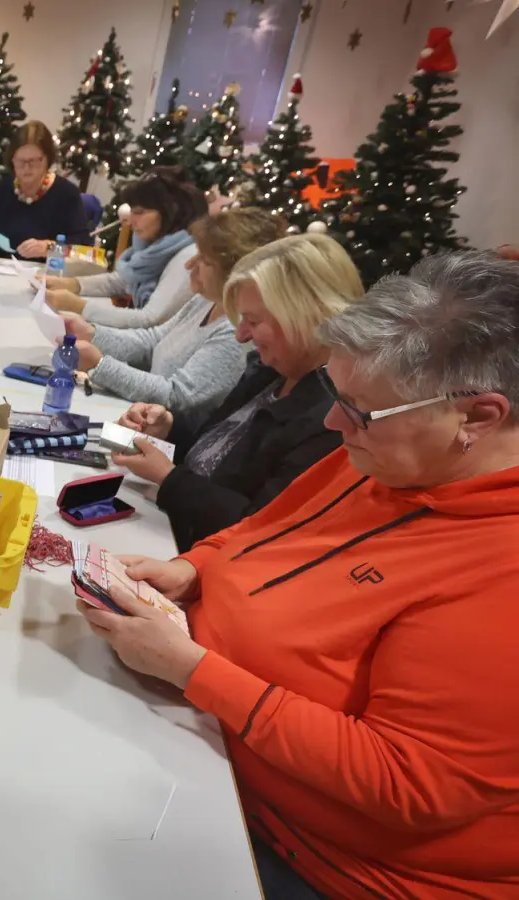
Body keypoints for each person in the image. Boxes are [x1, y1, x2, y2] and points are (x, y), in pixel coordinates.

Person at [77, 251, 519, 900]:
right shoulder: (384, 455)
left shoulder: (498, 575)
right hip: (206, 754)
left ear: (477, 419)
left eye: (361, 410)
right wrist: (190, 568)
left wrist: (194, 670)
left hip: (317, 863)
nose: (334, 423)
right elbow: (260, 533)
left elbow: (405, 785)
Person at [109, 234, 362, 550]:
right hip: (166, 528)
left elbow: (261, 529)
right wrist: (167, 427)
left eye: (253, 321)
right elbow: (217, 451)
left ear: (307, 317)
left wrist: (169, 478)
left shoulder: (331, 419)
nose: (241, 336)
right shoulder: (272, 372)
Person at [57, 208, 286, 418]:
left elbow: (178, 396)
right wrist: (90, 333)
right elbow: (153, 340)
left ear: (235, 273)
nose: (189, 266)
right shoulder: (206, 301)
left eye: (204, 261)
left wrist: (99, 364)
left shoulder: (236, 333)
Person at [41, 167, 205, 324]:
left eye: (140, 212)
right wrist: (72, 284)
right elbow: (122, 281)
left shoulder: (187, 257)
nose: (131, 220)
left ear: (171, 212)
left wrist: (78, 305)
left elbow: (149, 319)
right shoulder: (155, 245)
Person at [0, 120, 92, 259]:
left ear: (48, 159)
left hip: (44, 277)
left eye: (34, 161)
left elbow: (83, 249)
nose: (27, 168)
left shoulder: (67, 194)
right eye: (21, 161)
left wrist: (48, 248)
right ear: (12, 160)